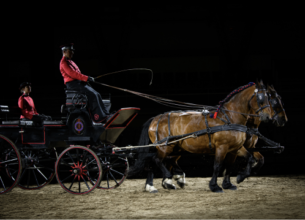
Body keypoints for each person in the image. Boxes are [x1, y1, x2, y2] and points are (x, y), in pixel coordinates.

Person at [59, 43, 110, 123]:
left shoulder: (71, 62)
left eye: (72, 51)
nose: (72, 52)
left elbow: (78, 73)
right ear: (64, 51)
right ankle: (99, 117)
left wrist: (86, 79)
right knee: (92, 95)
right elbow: (73, 74)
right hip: (73, 85)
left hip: (78, 82)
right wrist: (86, 78)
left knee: (97, 94)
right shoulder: (63, 62)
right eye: (70, 51)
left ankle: (106, 114)